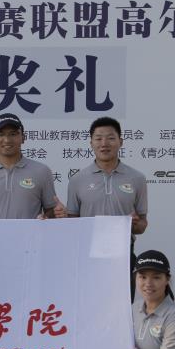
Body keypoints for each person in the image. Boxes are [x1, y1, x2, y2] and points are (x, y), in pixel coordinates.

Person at [56, 117, 147, 299]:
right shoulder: (78, 180)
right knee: (87, 303)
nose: (104, 143)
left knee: (121, 306)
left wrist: (135, 224)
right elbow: (73, 224)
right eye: (98, 138)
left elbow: (142, 225)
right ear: (91, 143)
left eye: (111, 138)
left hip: (123, 254)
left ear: (121, 142)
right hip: (87, 255)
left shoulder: (137, 178)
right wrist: (62, 217)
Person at [0, 113, 57, 219]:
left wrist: (50, 215)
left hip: (30, 231)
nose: (7, 140)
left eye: (13, 134)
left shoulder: (42, 171)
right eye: (0, 134)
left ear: (23, 138)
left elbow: (51, 211)